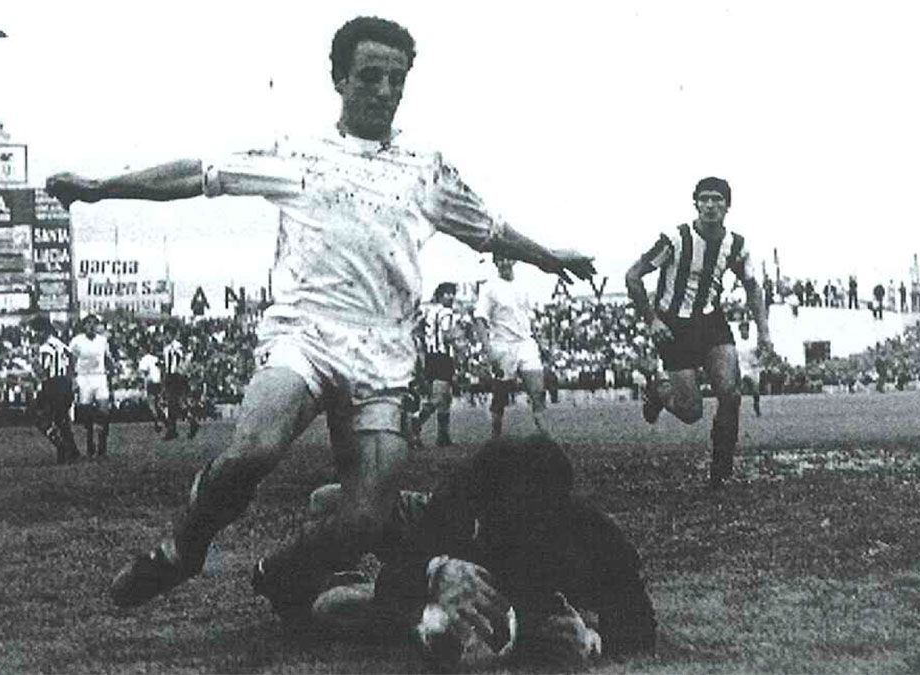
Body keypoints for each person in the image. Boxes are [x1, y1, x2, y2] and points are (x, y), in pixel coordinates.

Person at [45, 15, 595, 609]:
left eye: (396, 79)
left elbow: (490, 230)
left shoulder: (426, 170)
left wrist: (546, 255)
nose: (384, 90)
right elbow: (198, 174)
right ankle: (182, 550)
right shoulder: (298, 154)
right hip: (304, 335)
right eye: (370, 77)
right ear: (339, 78)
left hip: (384, 354)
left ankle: (278, 572)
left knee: (363, 521)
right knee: (254, 449)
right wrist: (102, 186)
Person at [253, 435, 656, 671]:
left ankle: (341, 583)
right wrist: (435, 570)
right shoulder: (460, 503)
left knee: (335, 609)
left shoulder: (589, 534)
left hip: (467, 551)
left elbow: (637, 618)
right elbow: (396, 577)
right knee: (346, 509)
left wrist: (592, 639)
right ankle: (274, 572)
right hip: (432, 525)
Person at [624, 177, 773, 488]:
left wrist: (764, 332)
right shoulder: (676, 240)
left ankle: (721, 474)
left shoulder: (736, 244)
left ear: (727, 205)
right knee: (691, 411)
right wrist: (652, 320)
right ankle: (660, 392)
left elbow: (752, 287)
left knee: (730, 394)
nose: (710, 205)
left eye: (717, 199)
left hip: (710, 321)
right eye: (704, 199)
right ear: (695, 203)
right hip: (673, 326)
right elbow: (633, 276)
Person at [473, 254, 552, 438]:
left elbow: (528, 318)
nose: (505, 262)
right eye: (500, 260)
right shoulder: (489, 287)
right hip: (502, 345)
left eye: (508, 258)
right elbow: (479, 319)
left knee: (538, 390)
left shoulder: (523, 285)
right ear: (496, 263)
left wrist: (540, 342)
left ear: (514, 260)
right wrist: (488, 349)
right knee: (501, 396)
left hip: (525, 343)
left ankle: (545, 435)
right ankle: (495, 435)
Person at [411, 282, 459, 447]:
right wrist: (459, 339)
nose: (451, 296)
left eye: (452, 293)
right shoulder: (446, 312)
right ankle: (413, 428)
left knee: (445, 398)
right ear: (440, 295)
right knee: (438, 398)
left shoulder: (429, 311)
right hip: (442, 357)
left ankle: (443, 436)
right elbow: (447, 335)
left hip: (431, 356)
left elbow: (417, 329)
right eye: (447, 293)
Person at [30, 315, 80, 464]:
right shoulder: (60, 344)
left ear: (42, 331)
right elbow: (72, 358)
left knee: (40, 418)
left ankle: (61, 446)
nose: (35, 335)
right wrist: (71, 378)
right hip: (65, 383)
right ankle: (73, 450)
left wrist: (34, 364)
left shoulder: (45, 348)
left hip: (53, 384)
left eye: (36, 331)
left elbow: (43, 372)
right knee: (61, 418)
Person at [67, 314, 113, 458]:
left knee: (104, 412)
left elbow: (108, 357)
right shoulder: (77, 341)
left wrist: (112, 368)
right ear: (84, 325)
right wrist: (72, 379)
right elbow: (71, 361)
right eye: (88, 323)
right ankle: (89, 444)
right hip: (84, 377)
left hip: (99, 377)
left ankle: (102, 447)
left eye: (94, 323)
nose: (91, 326)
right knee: (86, 414)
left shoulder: (102, 341)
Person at [161, 326, 200, 440]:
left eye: (167, 334)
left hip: (176, 377)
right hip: (171, 377)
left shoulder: (176, 347)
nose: (165, 336)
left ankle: (174, 429)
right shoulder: (168, 347)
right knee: (175, 403)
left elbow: (185, 358)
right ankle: (190, 424)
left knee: (174, 403)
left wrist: (181, 370)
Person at [734, 319, 762, 417]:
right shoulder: (737, 344)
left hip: (752, 368)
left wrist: (758, 354)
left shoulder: (753, 342)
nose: (744, 331)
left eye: (745, 329)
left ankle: (756, 406)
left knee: (755, 391)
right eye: (742, 329)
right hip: (742, 367)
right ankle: (734, 409)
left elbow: (759, 354)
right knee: (738, 389)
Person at [136, 348, 165, 433]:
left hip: (151, 381)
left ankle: (157, 421)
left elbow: (144, 373)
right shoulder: (155, 358)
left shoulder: (144, 359)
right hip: (158, 381)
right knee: (158, 401)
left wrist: (144, 386)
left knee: (151, 403)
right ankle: (164, 417)